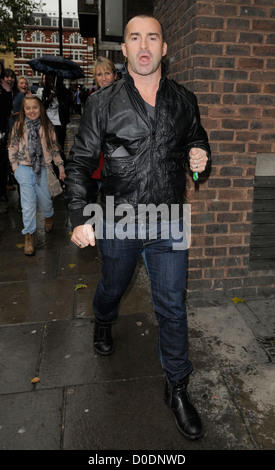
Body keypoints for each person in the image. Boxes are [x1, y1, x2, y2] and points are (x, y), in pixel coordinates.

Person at [64, 15, 211, 441]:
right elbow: (79, 164)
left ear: (165, 48)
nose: (143, 45)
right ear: (123, 49)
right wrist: (78, 216)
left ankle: (178, 387)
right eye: (134, 37)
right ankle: (103, 320)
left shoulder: (185, 100)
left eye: (152, 37)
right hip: (117, 219)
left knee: (172, 306)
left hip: (170, 220)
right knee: (112, 287)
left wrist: (201, 153)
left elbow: (196, 138)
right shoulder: (102, 102)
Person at [8, 95, 66, 256]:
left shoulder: (47, 126)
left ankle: (48, 216)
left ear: (40, 109)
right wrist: (15, 168)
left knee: (46, 201)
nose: (31, 111)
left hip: (44, 169)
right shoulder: (18, 126)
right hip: (24, 170)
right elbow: (12, 147)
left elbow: (54, 149)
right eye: (28, 108)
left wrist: (60, 168)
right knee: (28, 205)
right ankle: (29, 235)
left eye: (35, 107)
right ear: (23, 110)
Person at [91, 57, 117, 200]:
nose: (104, 78)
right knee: (106, 199)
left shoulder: (124, 97)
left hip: (121, 157)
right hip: (101, 158)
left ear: (114, 75)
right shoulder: (93, 100)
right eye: (99, 74)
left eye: (107, 73)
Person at [42, 72, 71, 169]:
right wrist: (49, 99)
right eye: (48, 79)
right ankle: (52, 169)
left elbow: (67, 109)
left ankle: (62, 169)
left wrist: (58, 96)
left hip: (59, 124)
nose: (50, 82)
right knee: (48, 148)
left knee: (59, 148)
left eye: (52, 79)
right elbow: (42, 108)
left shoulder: (64, 92)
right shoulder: (45, 92)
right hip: (47, 124)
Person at [0, 62, 13, 203]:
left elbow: (7, 110)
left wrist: (7, 91)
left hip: (2, 129)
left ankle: (2, 191)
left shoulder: (4, 86)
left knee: (2, 163)